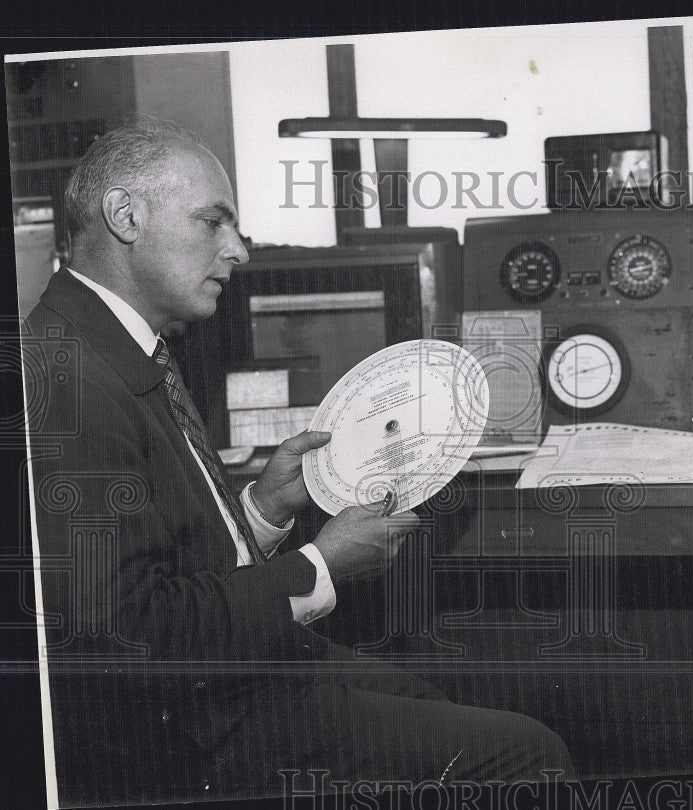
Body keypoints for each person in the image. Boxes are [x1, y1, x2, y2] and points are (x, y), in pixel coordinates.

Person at [22, 118, 574, 806]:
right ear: (125, 216)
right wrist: (324, 564)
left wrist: (264, 509)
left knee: (425, 692)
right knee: (525, 753)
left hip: (213, 693)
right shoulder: (62, 378)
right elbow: (127, 635)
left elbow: (161, 565)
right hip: (182, 736)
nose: (239, 250)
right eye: (213, 223)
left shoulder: (110, 344)